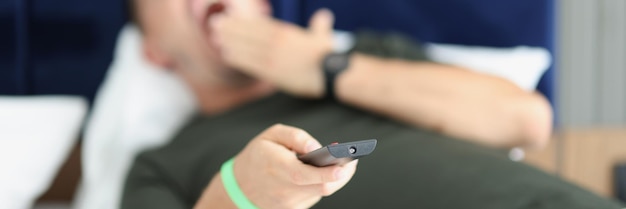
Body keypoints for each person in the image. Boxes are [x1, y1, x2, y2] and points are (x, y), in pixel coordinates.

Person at [121, 0, 623, 208]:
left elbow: (526, 120)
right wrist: (239, 192)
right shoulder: (162, 165)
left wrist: (328, 70)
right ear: (153, 51)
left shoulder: (364, 60)